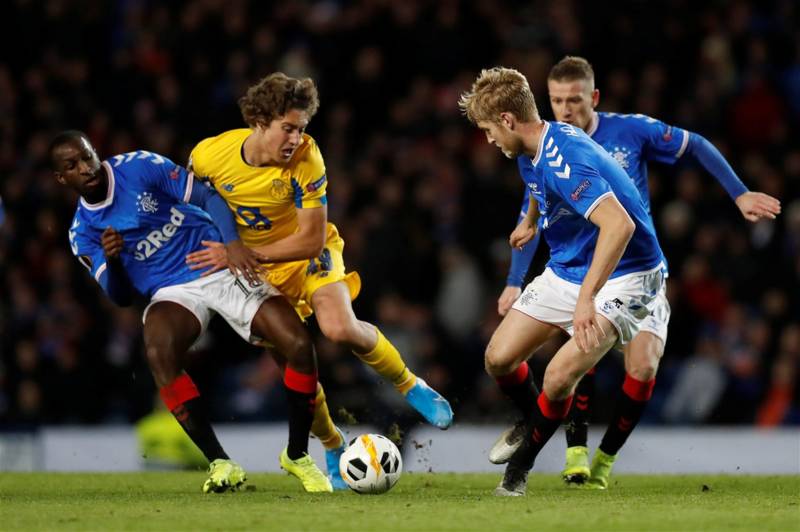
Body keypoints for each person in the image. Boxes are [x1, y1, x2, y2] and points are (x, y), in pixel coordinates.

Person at [491, 56, 782, 489]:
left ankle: (603, 459)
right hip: (579, 271)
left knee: (642, 367)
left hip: (632, 268)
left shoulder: (628, 131)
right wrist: (515, 277)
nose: (566, 109)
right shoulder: (541, 143)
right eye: (557, 100)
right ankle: (575, 455)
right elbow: (534, 194)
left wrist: (738, 194)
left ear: (594, 97)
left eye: (574, 100)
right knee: (567, 358)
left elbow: (695, 145)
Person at [184, 73, 454, 488]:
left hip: (305, 255)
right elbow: (194, 202)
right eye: (287, 128)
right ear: (259, 121)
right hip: (256, 272)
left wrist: (242, 251)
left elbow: (310, 240)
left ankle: (409, 383)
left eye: (301, 128)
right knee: (296, 363)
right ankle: (332, 444)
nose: (296, 138)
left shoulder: (307, 157)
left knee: (338, 326)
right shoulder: (209, 155)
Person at [51, 130, 332, 493]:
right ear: (61, 178)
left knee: (298, 345)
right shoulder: (83, 232)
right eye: (72, 165)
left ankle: (297, 455)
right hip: (172, 291)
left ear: (96, 152)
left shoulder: (138, 167)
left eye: (87, 156)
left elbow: (207, 196)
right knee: (158, 351)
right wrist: (114, 260)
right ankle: (221, 462)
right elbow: (120, 298)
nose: (85, 167)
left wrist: (232, 245)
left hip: (216, 259)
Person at [460, 66, 670, 496]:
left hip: (627, 274)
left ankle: (516, 474)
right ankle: (534, 418)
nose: (488, 140)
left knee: (558, 377)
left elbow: (620, 225)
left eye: (488, 130)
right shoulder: (532, 144)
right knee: (498, 358)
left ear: (507, 120)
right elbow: (539, 183)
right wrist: (531, 220)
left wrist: (586, 299)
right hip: (570, 266)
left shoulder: (564, 159)